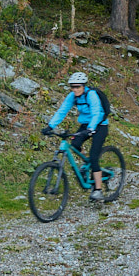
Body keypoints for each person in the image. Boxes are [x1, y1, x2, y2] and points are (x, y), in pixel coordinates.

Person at [41, 71, 109, 201]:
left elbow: (96, 113)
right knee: (75, 145)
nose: (75, 89)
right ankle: (86, 165)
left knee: (94, 156)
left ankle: (98, 190)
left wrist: (91, 129)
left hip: (100, 124)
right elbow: (62, 111)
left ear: (84, 86)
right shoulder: (73, 96)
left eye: (77, 86)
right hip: (85, 124)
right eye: (72, 87)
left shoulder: (91, 95)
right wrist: (50, 126)